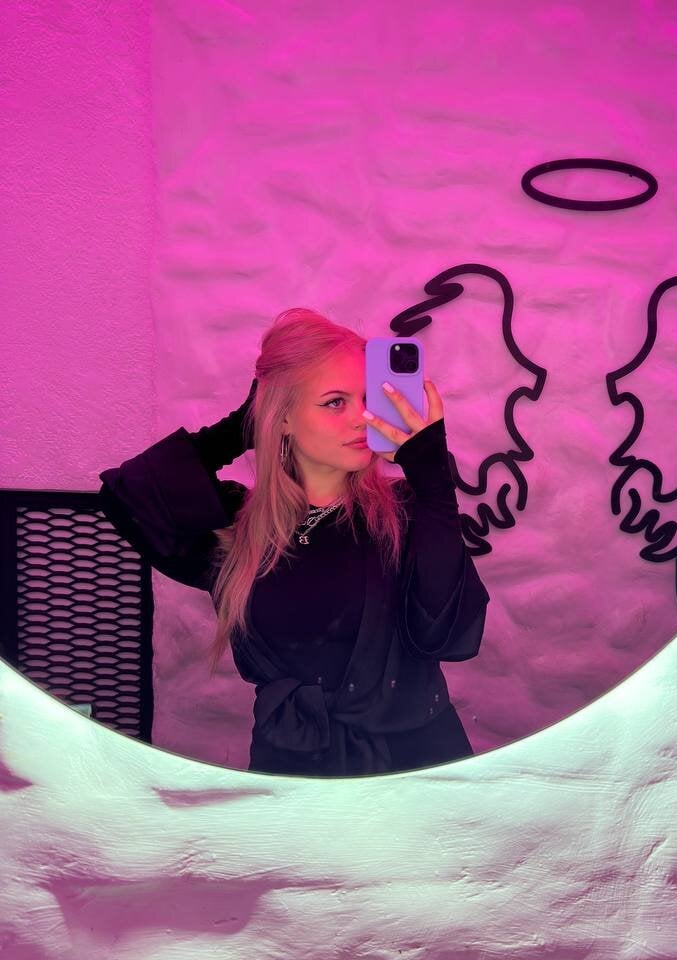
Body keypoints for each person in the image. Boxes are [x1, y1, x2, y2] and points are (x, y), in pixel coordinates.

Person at [98, 307, 490, 777]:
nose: (362, 418)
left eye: (368, 399)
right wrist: (240, 428)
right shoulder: (238, 529)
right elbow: (126, 494)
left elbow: (442, 633)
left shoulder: (406, 509)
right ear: (282, 417)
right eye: (335, 402)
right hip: (292, 771)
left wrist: (433, 479)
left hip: (417, 770)